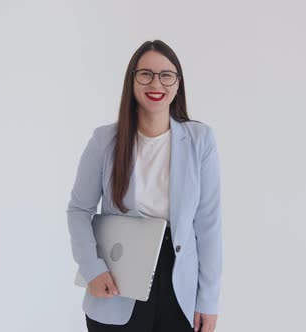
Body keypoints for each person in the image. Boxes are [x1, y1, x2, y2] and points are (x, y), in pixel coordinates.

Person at [67, 40, 222, 332]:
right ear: (132, 80)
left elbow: (209, 224)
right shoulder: (105, 141)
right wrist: (92, 268)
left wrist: (209, 300)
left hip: (179, 287)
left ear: (178, 83)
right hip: (116, 279)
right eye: (146, 74)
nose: (156, 83)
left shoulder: (200, 140)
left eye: (166, 75)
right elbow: (78, 209)